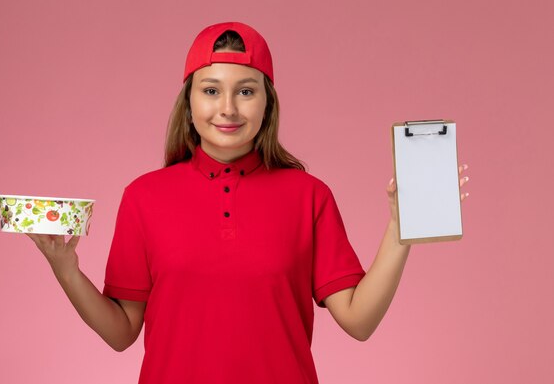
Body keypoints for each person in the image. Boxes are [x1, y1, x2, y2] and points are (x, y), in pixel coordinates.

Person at [27, 21, 470, 384]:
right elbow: (122, 332)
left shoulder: (308, 196)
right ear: (189, 103)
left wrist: (400, 228)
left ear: (267, 104)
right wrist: (65, 269)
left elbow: (359, 321)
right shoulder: (143, 197)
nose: (228, 108)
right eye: (211, 90)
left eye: (245, 90)